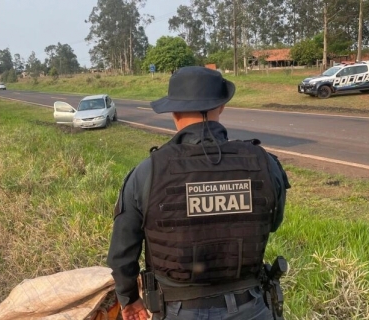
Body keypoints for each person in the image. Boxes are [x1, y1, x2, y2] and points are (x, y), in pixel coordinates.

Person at [107, 66, 291, 320]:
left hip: (179, 310)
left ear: (173, 111)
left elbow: (122, 253)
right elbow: (273, 223)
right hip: (253, 306)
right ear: (222, 106)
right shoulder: (266, 163)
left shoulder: (147, 172)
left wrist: (129, 299)